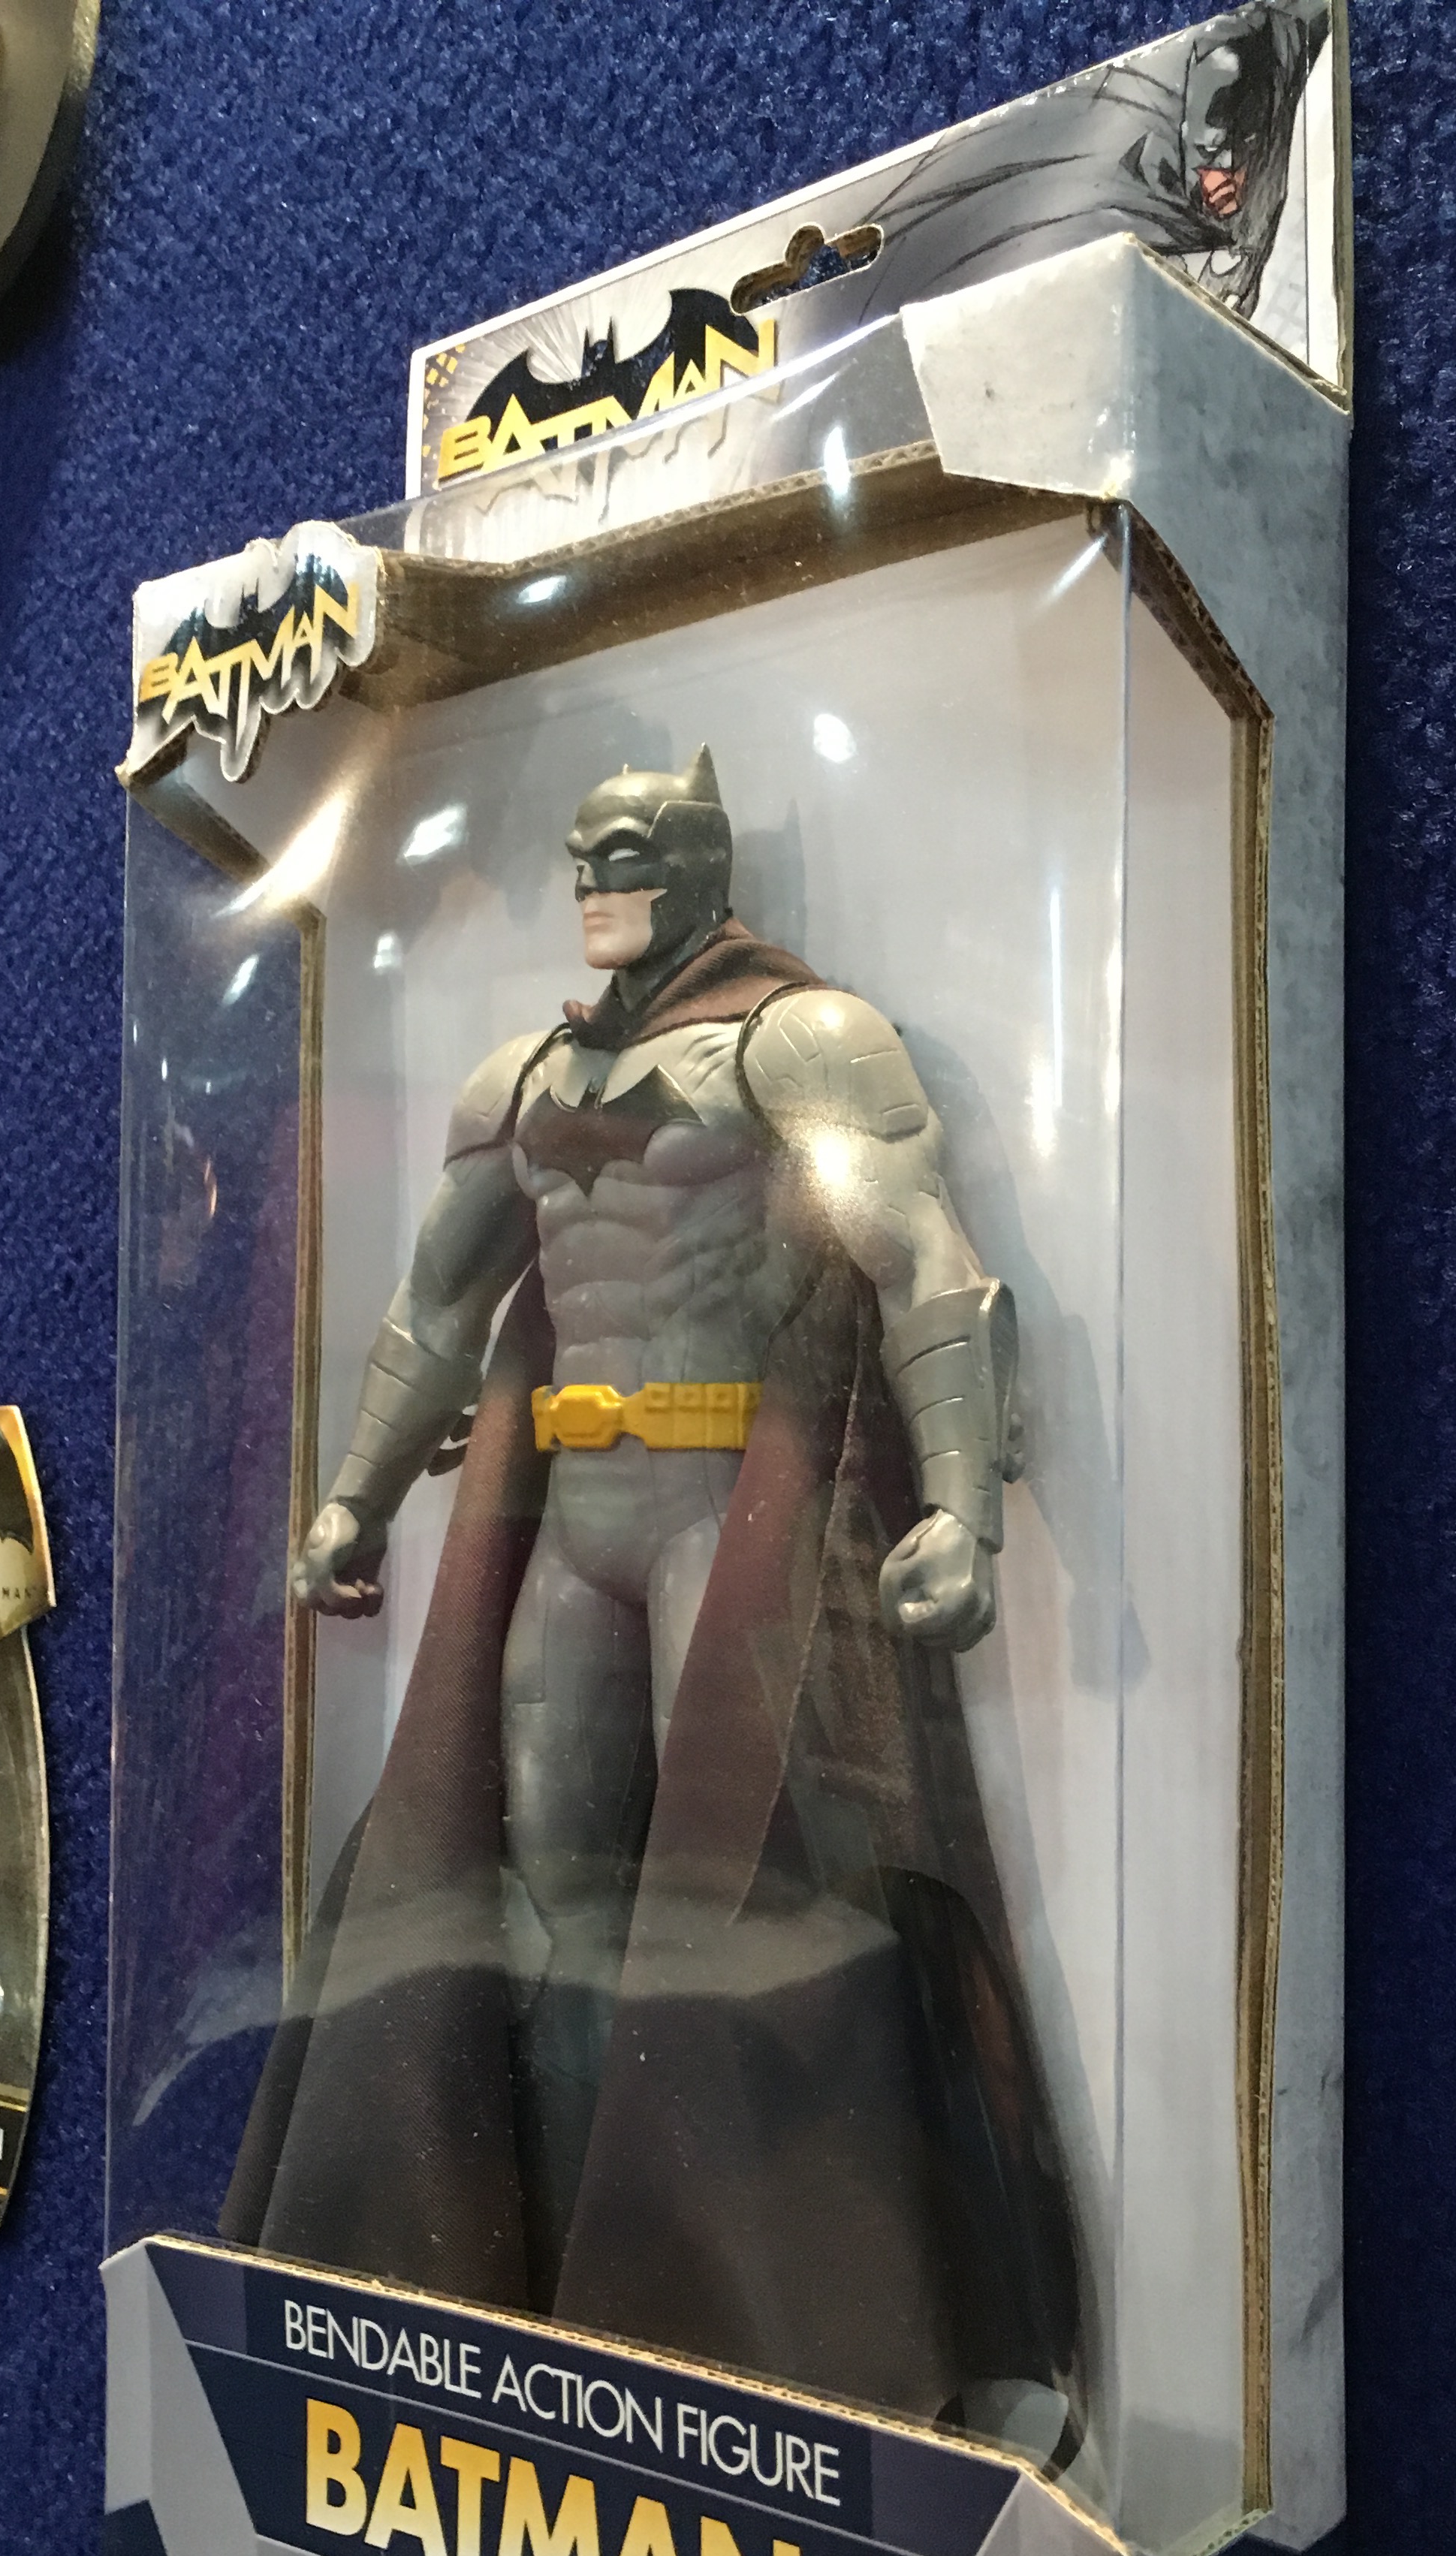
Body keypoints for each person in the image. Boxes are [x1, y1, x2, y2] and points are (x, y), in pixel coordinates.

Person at [226, 749, 1081, 2450]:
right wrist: (350, 1497)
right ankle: (579, 2275)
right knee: (546, 1902)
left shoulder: (801, 1044)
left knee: (742, 1891)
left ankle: (771, 2299)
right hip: (576, 1519)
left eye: (634, 845)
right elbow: (435, 1313)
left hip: (715, 1510)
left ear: (699, 861)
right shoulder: (524, 1077)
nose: (600, 872)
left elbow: (921, 1259)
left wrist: (963, 1508)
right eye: (584, 848)